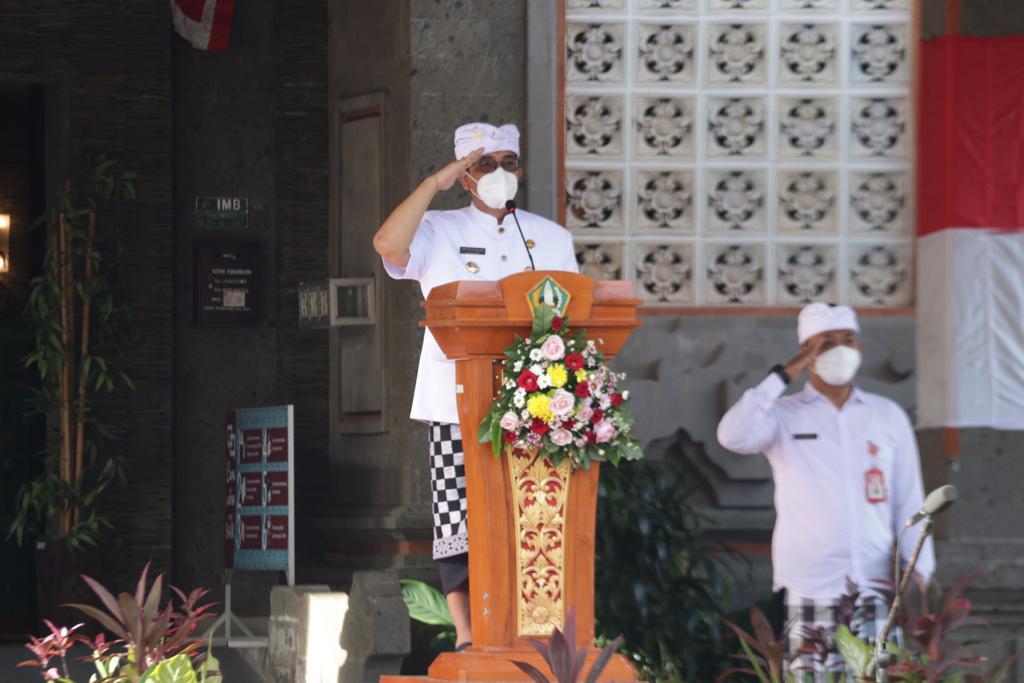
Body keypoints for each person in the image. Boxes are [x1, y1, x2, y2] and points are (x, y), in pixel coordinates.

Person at [372, 122, 579, 650]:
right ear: (465, 177)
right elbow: (386, 244)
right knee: (457, 518)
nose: (501, 174)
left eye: (510, 163)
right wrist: (432, 183)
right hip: (455, 402)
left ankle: (536, 631)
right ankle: (468, 636)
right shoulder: (438, 228)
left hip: (536, 401)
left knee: (532, 518)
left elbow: (576, 318)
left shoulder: (552, 238)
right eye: (486, 164)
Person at [717, 303, 935, 676]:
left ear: (860, 348)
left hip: (877, 586)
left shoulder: (886, 415)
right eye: (825, 343)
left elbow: (910, 500)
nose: (839, 350)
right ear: (805, 351)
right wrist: (784, 375)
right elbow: (732, 435)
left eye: (848, 340)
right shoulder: (783, 415)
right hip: (811, 583)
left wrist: (920, 574)